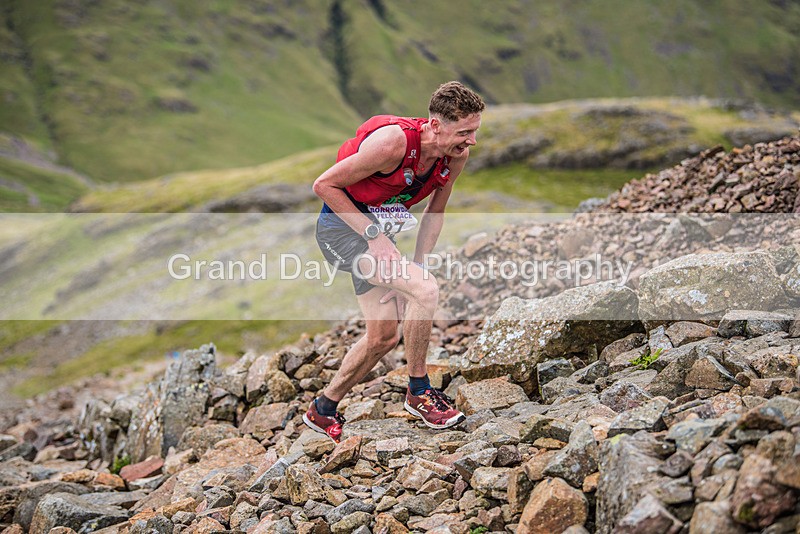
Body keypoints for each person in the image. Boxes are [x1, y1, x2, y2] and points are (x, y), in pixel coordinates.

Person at [304, 81, 485, 442]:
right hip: (342, 231)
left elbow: (435, 211)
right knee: (425, 291)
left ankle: (323, 409)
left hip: (380, 237)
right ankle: (418, 391)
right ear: (436, 126)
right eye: (464, 132)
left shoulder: (455, 156)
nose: (472, 141)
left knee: (384, 336)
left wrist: (417, 265)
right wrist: (374, 236)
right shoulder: (392, 144)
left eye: (475, 131)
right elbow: (323, 185)